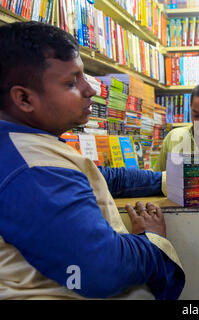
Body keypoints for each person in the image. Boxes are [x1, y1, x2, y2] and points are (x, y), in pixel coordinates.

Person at [0, 21, 185, 299]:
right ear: (24, 98)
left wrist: (166, 180)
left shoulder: (26, 145)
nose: (91, 90)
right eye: (71, 82)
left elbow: (105, 178)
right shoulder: (33, 170)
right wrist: (152, 241)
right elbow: (102, 270)